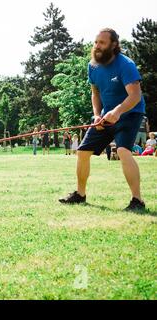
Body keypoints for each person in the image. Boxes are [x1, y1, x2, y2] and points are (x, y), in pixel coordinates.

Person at [59, 28, 146, 211]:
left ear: (113, 45)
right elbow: (95, 93)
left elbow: (135, 95)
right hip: (105, 117)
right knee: (82, 152)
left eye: (102, 43)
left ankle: (137, 200)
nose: (97, 46)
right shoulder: (93, 66)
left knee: (123, 151)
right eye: (96, 42)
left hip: (130, 113)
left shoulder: (126, 65)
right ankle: (80, 195)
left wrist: (117, 111)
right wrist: (97, 115)